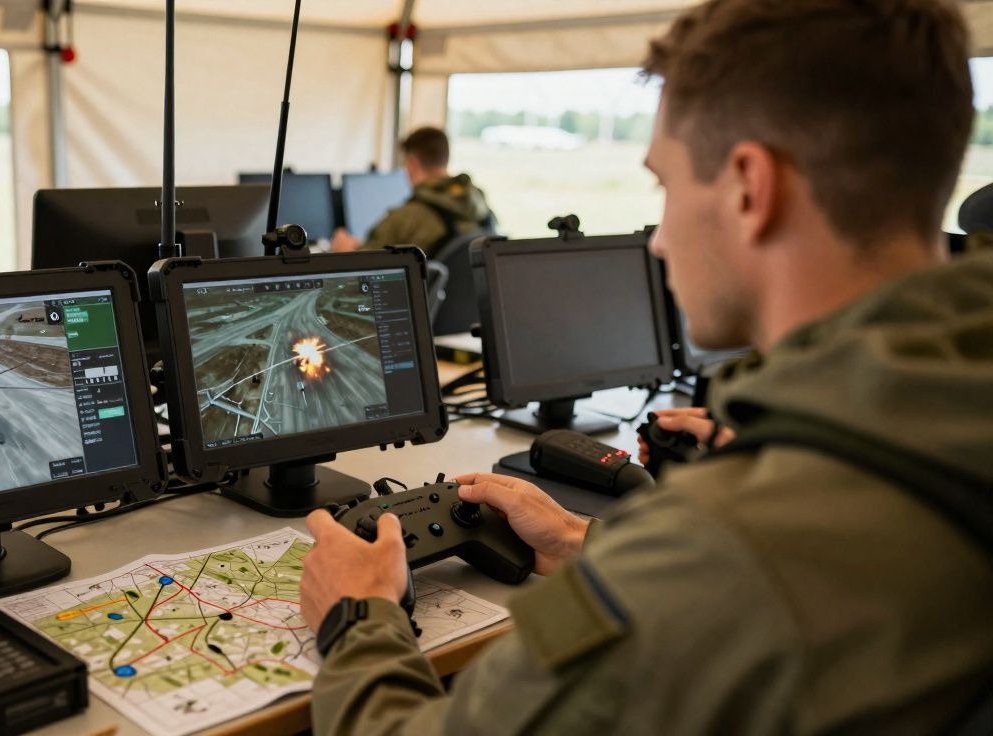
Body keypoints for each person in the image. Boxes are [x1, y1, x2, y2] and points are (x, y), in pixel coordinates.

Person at [299, 0, 993, 733]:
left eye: (666, 185)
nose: (659, 241)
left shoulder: (727, 539)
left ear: (751, 188)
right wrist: (579, 540)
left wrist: (359, 618)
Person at [330, 127, 493, 257]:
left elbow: (367, 265)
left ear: (412, 163)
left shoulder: (407, 217)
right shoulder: (478, 203)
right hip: (465, 298)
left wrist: (345, 251)